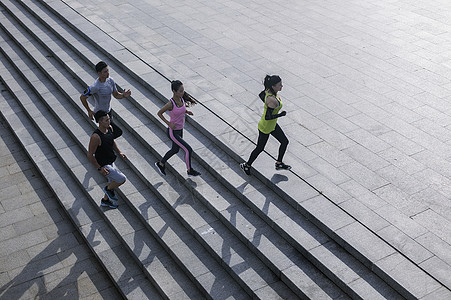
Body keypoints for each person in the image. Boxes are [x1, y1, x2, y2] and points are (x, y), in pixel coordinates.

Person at [240, 75, 291, 175]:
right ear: (273, 86)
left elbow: (261, 95)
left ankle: (279, 163)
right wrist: (280, 114)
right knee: (260, 148)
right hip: (266, 127)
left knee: (284, 141)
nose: (282, 86)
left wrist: (266, 103)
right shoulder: (272, 99)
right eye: (279, 85)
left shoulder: (268, 91)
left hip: (272, 125)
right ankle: (246, 165)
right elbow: (268, 117)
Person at [155, 80, 201, 177]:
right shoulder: (170, 104)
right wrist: (169, 123)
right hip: (173, 132)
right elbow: (159, 113)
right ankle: (189, 170)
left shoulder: (181, 99)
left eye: (183, 90)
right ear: (174, 91)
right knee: (188, 149)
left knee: (175, 150)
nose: (182, 92)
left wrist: (187, 112)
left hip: (180, 129)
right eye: (180, 91)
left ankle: (160, 163)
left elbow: (181, 109)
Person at [80, 61, 131, 137]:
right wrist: (89, 110)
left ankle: (105, 145)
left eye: (108, 70)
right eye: (105, 72)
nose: (108, 73)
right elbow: (82, 97)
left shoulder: (110, 80)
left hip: (108, 111)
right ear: (99, 73)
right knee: (116, 132)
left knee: (110, 134)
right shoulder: (95, 86)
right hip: (100, 114)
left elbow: (116, 94)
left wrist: (123, 95)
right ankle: (100, 143)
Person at [87, 110, 127, 208]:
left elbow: (112, 141)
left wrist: (119, 152)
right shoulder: (96, 137)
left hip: (111, 160)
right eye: (106, 120)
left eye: (109, 119)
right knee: (121, 179)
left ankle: (105, 201)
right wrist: (99, 168)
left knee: (111, 182)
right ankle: (107, 190)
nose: (109, 121)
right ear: (100, 122)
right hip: (104, 165)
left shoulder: (109, 128)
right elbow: (90, 155)